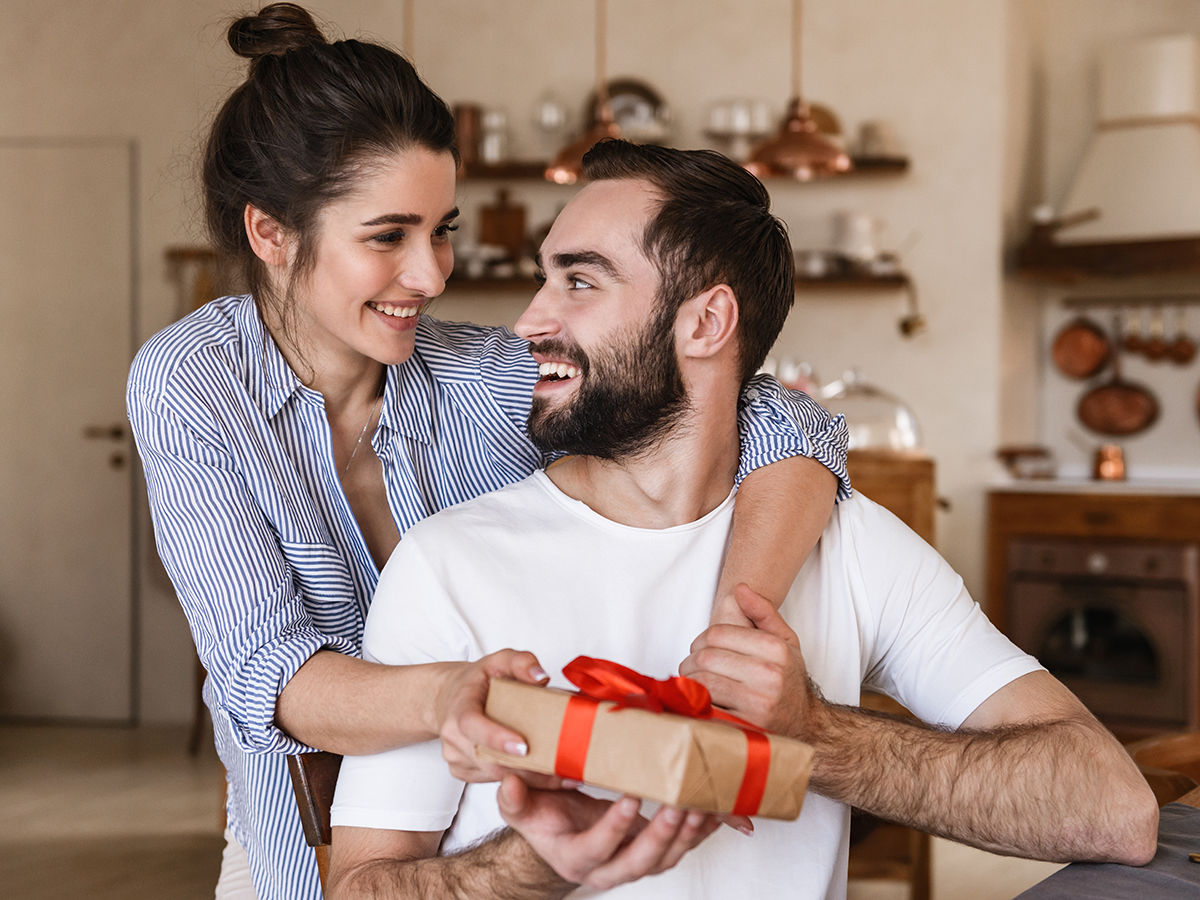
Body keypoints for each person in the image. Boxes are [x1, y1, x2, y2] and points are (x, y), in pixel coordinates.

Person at [126, 6, 850, 900]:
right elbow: (268, 674)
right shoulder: (190, 383)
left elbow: (783, 418)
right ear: (271, 234)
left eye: (443, 229)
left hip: (501, 834)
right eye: (389, 237)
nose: (432, 276)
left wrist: (729, 635)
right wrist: (454, 696)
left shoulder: (482, 372)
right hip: (300, 842)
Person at [327, 141, 1160, 899]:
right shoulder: (452, 562)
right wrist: (534, 865)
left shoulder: (851, 543)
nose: (531, 320)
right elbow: (359, 888)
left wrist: (813, 734)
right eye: (546, 278)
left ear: (706, 322)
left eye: (578, 281)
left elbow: (1115, 810)